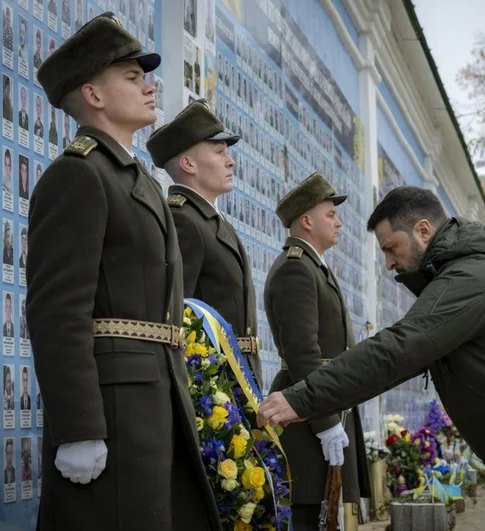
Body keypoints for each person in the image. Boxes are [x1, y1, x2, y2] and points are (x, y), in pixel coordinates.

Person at [258, 186, 485, 530]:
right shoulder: (462, 275)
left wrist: (301, 398)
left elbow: (399, 349)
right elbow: (401, 359)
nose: (388, 263)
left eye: (391, 248)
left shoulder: (472, 277)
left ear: (423, 230)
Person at [30, 12, 220, 530]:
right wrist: (78, 426)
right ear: (93, 95)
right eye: (132, 77)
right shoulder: (79, 175)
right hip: (114, 408)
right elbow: (57, 311)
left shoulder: (137, 181)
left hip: (157, 395)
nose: (149, 86)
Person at [260, 172, 369, 529]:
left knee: (326, 515)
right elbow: (302, 354)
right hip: (306, 412)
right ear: (306, 221)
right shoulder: (296, 269)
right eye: (330, 215)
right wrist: (324, 422)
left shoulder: (314, 267)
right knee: (308, 514)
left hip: (322, 402)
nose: (338, 223)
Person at [147, 100, 262, 384]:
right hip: (212, 386)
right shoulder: (184, 221)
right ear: (188, 164)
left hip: (235, 379)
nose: (230, 160)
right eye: (220, 152)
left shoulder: (213, 222)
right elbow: (177, 318)